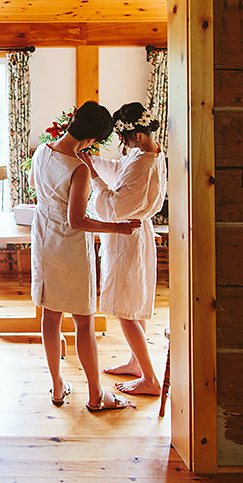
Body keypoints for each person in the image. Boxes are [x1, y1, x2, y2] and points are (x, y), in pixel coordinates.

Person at [28, 101, 142, 411]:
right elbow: (77, 220)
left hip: (43, 239)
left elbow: (37, 190)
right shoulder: (77, 168)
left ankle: (56, 387)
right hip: (69, 247)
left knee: (50, 317)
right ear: (92, 139)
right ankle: (95, 395)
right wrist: (117, 228)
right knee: (83, 322)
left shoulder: (42, 150)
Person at [77, 102, 167, 396]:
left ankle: (150, 379)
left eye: (123, 138)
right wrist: (96, 164)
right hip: (136, 231)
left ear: (137, 135)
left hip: (128, 232)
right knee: (134, 301)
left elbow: (114, 205)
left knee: (126, 310)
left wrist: (92, 175)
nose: (122, 144)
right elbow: (118, 170)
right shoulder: (149, 152)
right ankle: (136, 363)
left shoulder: (143, 164)